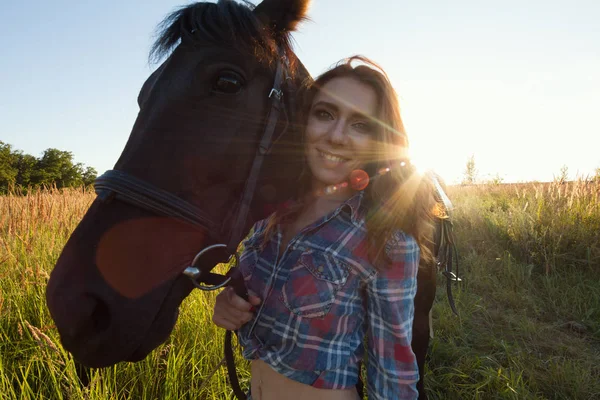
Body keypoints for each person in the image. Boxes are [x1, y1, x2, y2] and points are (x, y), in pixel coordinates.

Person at [212, 56, 436, 400]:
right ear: (304, 120)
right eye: (325, 114)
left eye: (361, 125)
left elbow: (392, 374)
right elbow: (247, 293)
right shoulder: (269, 214)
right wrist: (228, 304)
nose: (337, 136)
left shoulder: (386, 240)